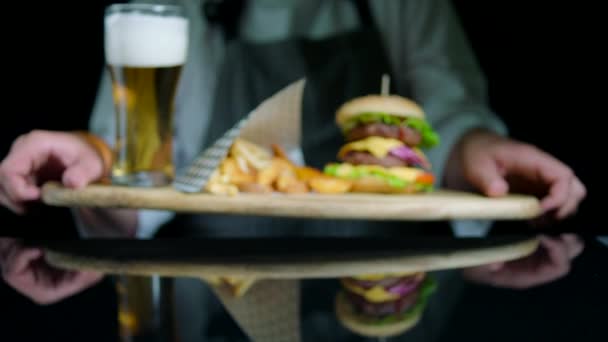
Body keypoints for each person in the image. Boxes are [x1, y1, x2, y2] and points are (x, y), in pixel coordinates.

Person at [0, 0, 590, 340]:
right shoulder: (173, 9)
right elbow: (136, 162)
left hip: (390, 287)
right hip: (208, 291)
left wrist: (477, 150)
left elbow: (449, 115)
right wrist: (92, 157)